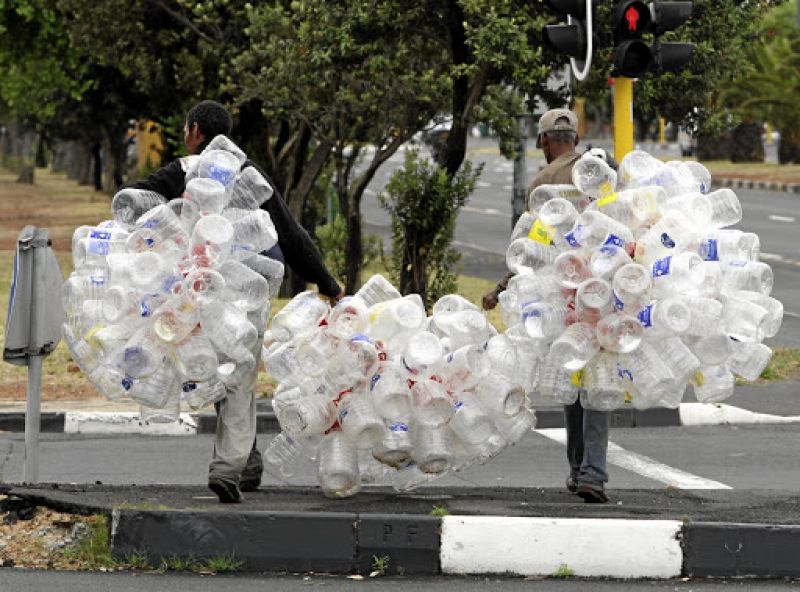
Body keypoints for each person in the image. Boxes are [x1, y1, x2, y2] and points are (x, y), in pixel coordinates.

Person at [133, 100, 343, 503]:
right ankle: (240, 462)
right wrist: (327, 282)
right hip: (247, 296)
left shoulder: (184, 169)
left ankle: (233, 467)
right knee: (235, 376)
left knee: (219, 373)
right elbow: (291, 235)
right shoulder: (251, 175)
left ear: (195, 131)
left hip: (195, 294)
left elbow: (137, 200)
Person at [480, 108, 610, 504]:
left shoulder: (543, 185)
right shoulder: (602, 170)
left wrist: (500, 288)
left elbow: (531, 250)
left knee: (572, 378)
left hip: (560, 299)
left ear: (544, 141)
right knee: (598, 384)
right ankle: (592, 473)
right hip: (604, 292)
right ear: (576, 138)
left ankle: (579, 469)